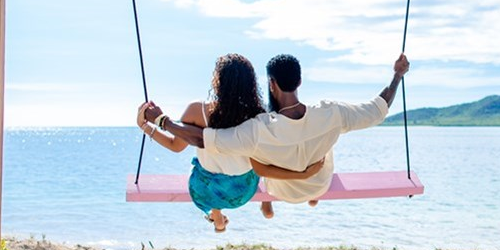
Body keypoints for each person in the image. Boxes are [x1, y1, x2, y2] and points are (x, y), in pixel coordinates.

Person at [138, 53, 410, 218]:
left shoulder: (259, 129)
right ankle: (310, 194)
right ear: (299, 81)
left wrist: (161, 121)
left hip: (283, 190)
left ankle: (265, 205)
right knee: (326, 140)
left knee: (260, 160)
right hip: (319, 183)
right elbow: (378, 110)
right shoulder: (331, 113)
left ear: (271, 83)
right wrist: (397, 75)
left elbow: (203, 139)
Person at [136, 53, 325, 231]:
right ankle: (265, 200)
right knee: (260, 157)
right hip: (243, 191)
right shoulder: (259, 115)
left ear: (218, 82)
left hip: (206, 191)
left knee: (202, 167)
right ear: (251, 83)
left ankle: (216, 213)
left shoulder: (197, 110)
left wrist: (145, 126)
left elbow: (175, 146)